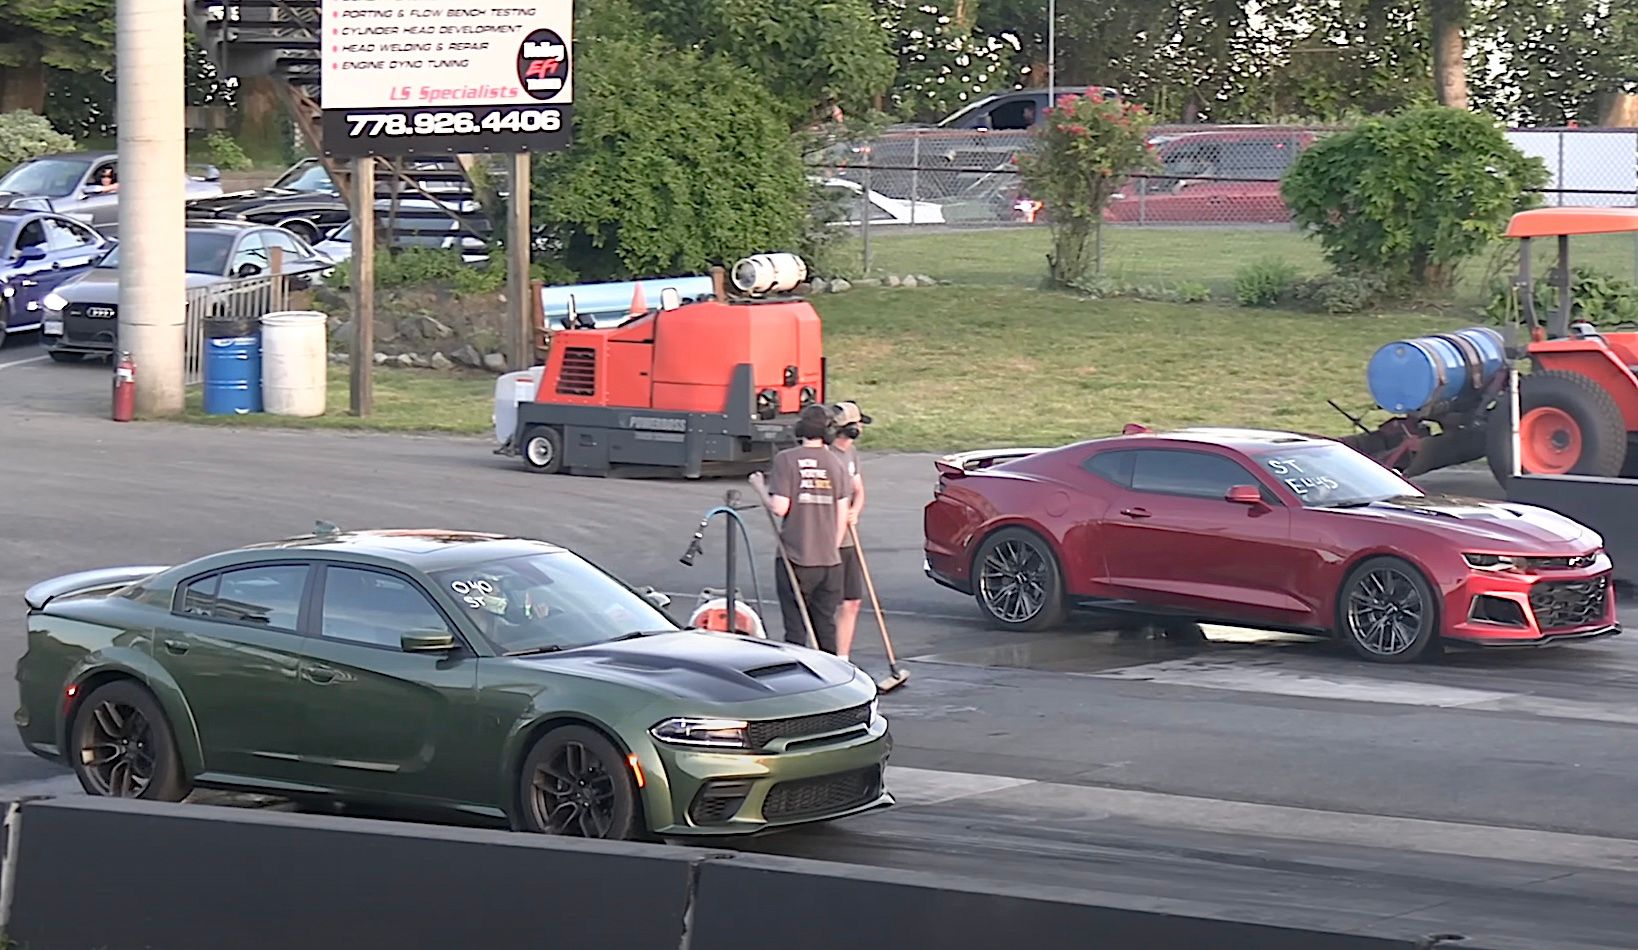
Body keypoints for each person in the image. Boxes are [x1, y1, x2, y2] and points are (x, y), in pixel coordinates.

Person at [750, 404, 852, 653]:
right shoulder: (836, 463)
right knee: (825, 626)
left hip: (796, 558)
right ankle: (832, 676)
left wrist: (759, 487)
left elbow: (779, 507)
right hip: (829, 562)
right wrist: (832, 548)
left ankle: (800, 680)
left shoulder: (786, 459)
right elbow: (842, 514)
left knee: (796, 629)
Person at [828, 402, 871, 660]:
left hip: (847, 541)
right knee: (826, 604)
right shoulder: (827, 456)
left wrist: (855, 510)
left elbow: (858, 489)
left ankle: (843, 658)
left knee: (852, 601)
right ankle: (825, 654)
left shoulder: (851, 454)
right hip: (829, 541)